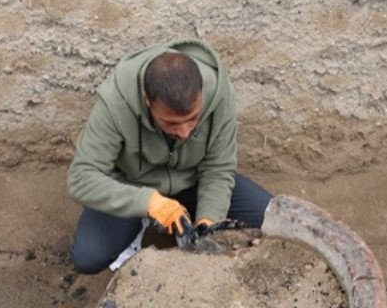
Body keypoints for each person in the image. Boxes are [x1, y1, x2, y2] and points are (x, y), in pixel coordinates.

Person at [65, 39, 273, 272]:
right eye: (171, 123)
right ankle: (141, 224)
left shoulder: (220, 97)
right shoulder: (116, 102)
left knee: (270, 218)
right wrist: (148, 202)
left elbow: (217, 169)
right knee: (89, 257)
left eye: (193, 119)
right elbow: (81, 178)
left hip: (191, 181)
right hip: (133, 184)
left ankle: (186, 224)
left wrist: (208, 223)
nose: (184, 133)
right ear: (147, 101)